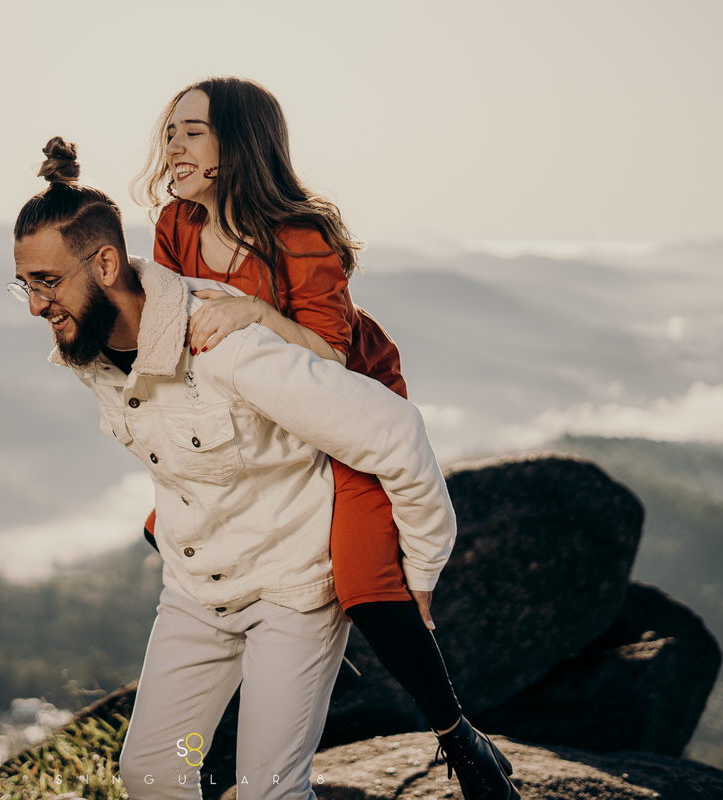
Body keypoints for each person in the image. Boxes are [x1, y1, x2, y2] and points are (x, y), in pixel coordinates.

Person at [11, 137, 458, 800]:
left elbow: (393, 430)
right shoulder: (91, 353)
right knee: (153, 772)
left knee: (266, 792)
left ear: (106, 263)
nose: (33, 305)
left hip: (292, 593)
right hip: (196, 590)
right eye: (23, 284)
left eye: (46, 282)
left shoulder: (224, 344)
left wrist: (420, 569)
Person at [132, 77, 518, 800]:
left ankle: (457, 737)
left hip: (348, 405)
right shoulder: (175, 225)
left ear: (237, 144)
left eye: (192, 131)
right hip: (260, 417)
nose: (172, 144)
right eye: (170, 131)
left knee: (365, 581)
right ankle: (303, 662)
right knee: (169, 530)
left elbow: (330, 361)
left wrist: (252, 311)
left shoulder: (301, 237)